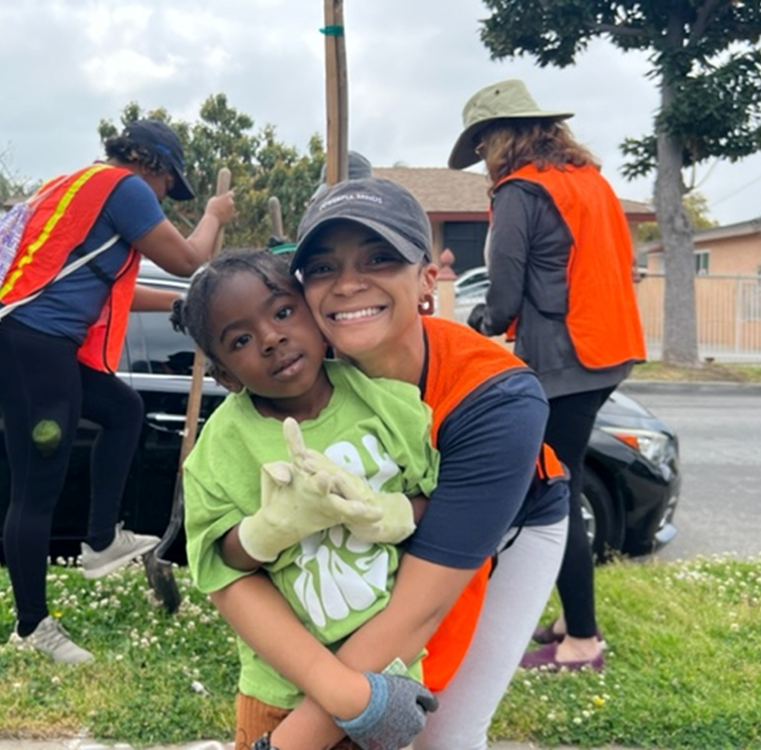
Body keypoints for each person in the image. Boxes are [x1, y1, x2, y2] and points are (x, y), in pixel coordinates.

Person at [206, 178, 570, 750]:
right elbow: (225, 569)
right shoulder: (288, 365)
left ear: (426, 279)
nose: (349, 284)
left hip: (503, 524)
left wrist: (286, 744)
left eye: (380, 258)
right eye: (324, 268)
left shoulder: (497, 397)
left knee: (439, 730)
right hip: (372, 524)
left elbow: (417, 613)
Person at [0, 119, 236, 664]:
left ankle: (100, 540)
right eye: (170, 185)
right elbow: (190, 259)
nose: (165, 197)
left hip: (33, 346)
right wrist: (213, 216)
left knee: (122, 409)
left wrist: (175, 307)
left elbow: (104, 285)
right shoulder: (126, 189)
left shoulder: (76, 186)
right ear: (154, 167)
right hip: (31, 347)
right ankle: (32, 627)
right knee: (34, 490)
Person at [173, 249, 439, 750]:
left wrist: (383, 514)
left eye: (282, 312)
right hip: (278, 692)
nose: (271, 338)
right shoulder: (223, 445)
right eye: (242, 340)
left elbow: (430, 499)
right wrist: (270, 528)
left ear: (316, 318)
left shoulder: (384, 403)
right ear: (226, 375)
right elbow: (218, 561)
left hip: (389, 676)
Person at [449, 79, 647, 672]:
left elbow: (504, 296)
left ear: (503, 135)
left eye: (484, 143)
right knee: (561, 480)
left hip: (566, 360)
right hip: (610, 349)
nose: (483, 157)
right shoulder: (589, 181)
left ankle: (582, 641)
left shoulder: (521, 191)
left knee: (551, 493)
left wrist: (475, 322)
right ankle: (570, 617)